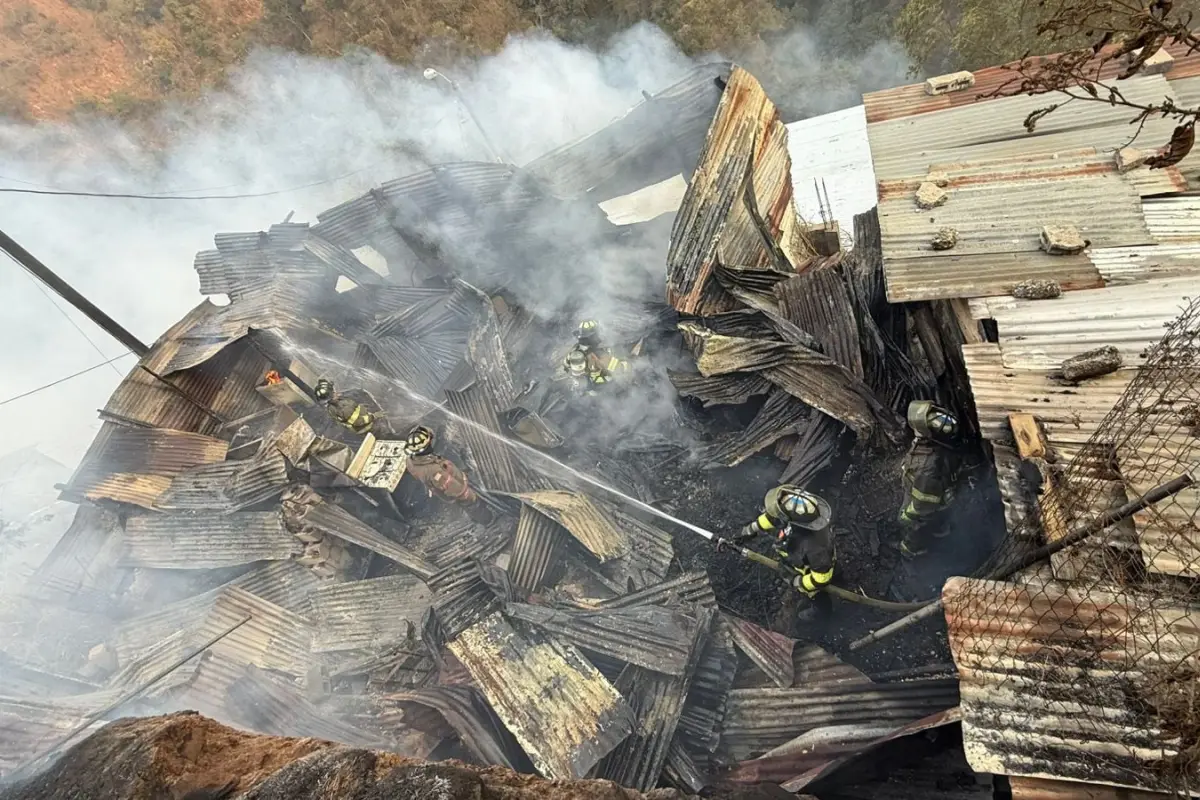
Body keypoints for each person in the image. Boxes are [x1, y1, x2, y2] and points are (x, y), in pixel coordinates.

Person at [719, 485, 836, 617]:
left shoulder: (816, 548)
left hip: (811, 570)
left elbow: (821, 579)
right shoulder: (796, 520)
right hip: (800, 559)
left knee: (818, 593)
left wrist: (796, 581)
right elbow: (770, 519)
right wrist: (745, 533)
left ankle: (822, 612)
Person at [897, 400, 963, 558]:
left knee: (916, 526)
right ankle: (940, 530)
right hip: (938, 492)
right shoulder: (940, 443)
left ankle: (911, 551)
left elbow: (923, 503)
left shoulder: (927, 468)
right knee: (937, 518)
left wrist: (907, 514)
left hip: (925, 501)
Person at [402, 425, 493, 524]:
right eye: (429, 442)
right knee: (473, 506)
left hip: (444, 482)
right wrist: (471, 496)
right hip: (458, 491)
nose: (431, 442)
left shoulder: (411, 460)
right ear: (425, 448)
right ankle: (487, 520)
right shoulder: (435, 472)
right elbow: (456, 490)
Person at [313, 378, 391, 438]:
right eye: (333, 391)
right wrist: (374, 416)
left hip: (363, 427)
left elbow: (352, 412)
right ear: (331, 397)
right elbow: (358, 422)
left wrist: (361, 407)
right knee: (386, 436)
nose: (336, 391)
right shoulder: (343, 408)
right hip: (369, 428)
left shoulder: (331, 407)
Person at [563, 319, 629, 386]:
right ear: (595, 335)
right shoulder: (600, 355)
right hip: (601, 387)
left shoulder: (575, 349)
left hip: (583, 386)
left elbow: (566, 366)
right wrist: (627, 361)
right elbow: (621, 369)